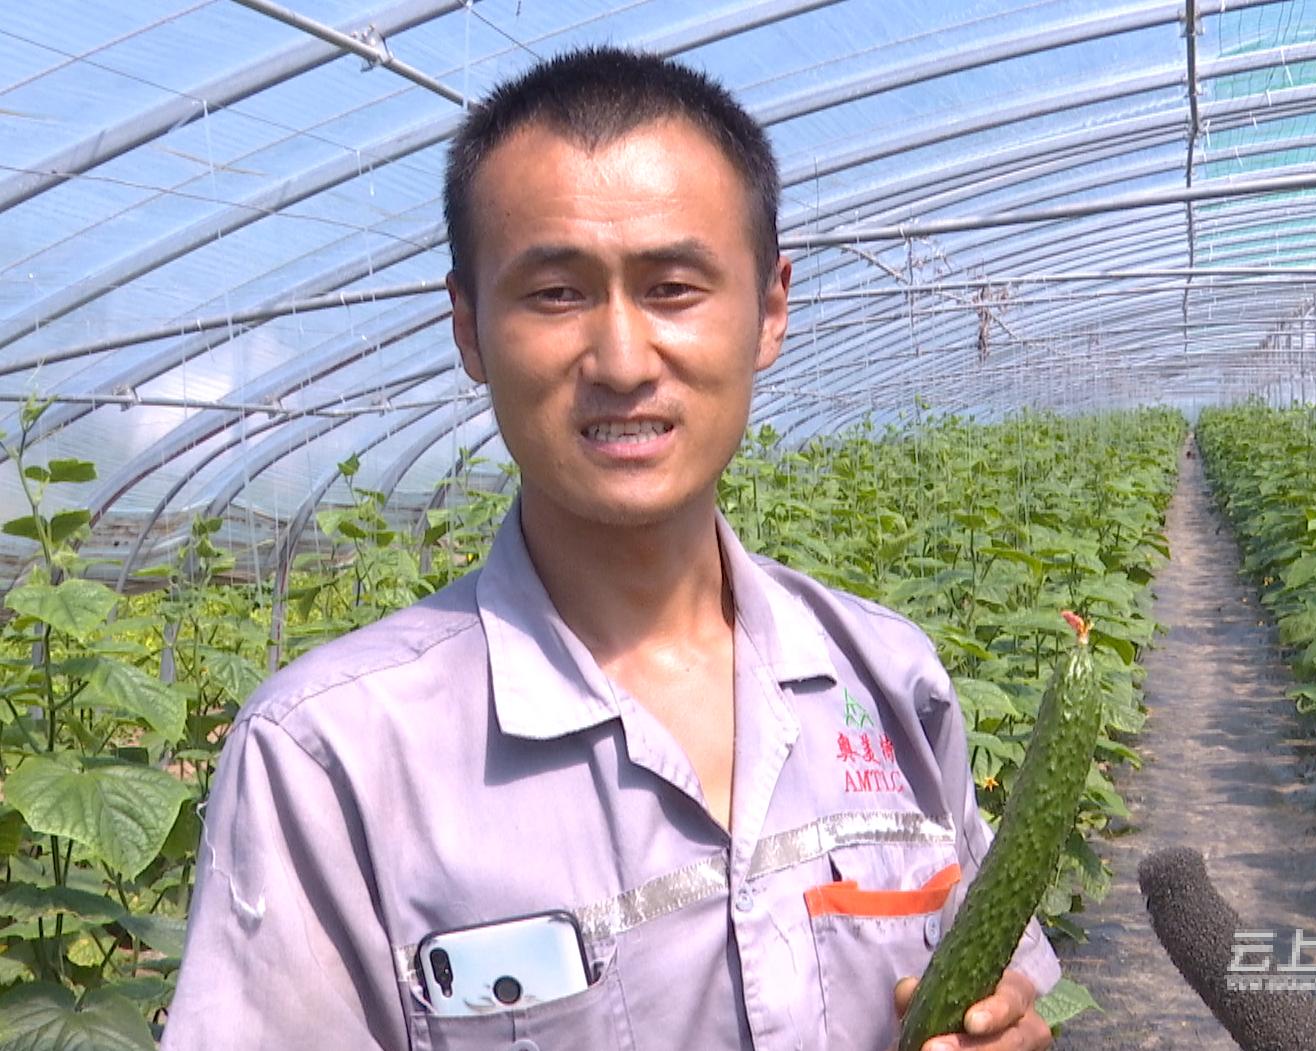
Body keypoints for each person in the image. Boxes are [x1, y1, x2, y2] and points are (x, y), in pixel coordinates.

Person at [162, 46, 1059, 1051]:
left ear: (768, 309)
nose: (623, 362)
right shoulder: (332, 757)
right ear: (468, 328)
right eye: (554, 294)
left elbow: (995, 979)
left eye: (673, 286)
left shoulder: (892, 680)